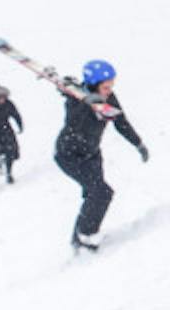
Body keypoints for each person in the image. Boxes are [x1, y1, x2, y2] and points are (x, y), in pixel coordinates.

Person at [54, 60, 147, 251]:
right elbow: (74, 124)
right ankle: (86, 235)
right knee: (102, 193)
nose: (109, 90)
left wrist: (138, 143)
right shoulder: (76, 100)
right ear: (94, 84)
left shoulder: (108, 98)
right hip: (69, 155)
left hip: (92, 155)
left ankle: (78, 239)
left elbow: (121, 122)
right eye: (106, 87)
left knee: (93, 195)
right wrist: (84, 101)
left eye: (111, 86)